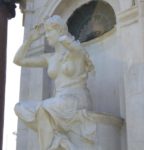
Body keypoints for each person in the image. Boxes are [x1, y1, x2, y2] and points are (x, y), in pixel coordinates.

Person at [14, 15, 95, 150]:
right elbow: (18, 60)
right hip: (59, 101)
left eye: (49, 32)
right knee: (20, 108)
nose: (46, 36)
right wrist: (30, 39)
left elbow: (79, 52)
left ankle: (52, 145)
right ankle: (58, 140)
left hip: (76, 98)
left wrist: (64, 39)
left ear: (59, 31)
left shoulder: (74, 51)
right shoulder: (49, 58)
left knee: (43, 108)